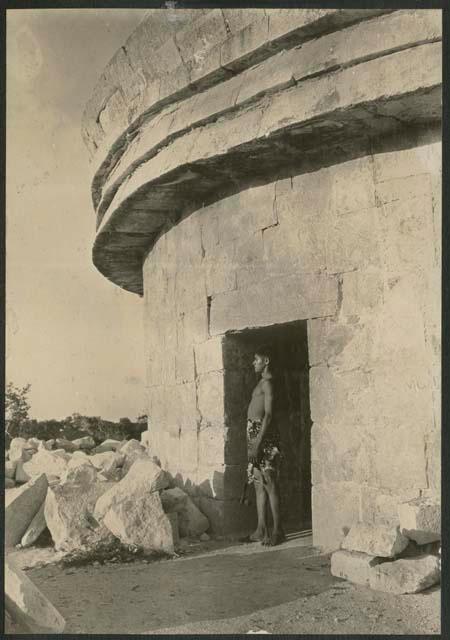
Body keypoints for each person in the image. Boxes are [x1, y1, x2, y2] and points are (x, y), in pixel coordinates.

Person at [243, 344, 285, 546]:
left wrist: (258, 441)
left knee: (269, 481)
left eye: (256, 360)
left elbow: (268, 415)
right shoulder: (260, 382)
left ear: (266, 361)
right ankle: (261, 529)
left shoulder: (268, 383)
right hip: (254, 433)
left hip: (264, 436)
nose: (253, 363)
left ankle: (278, 530)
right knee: (259, 483)